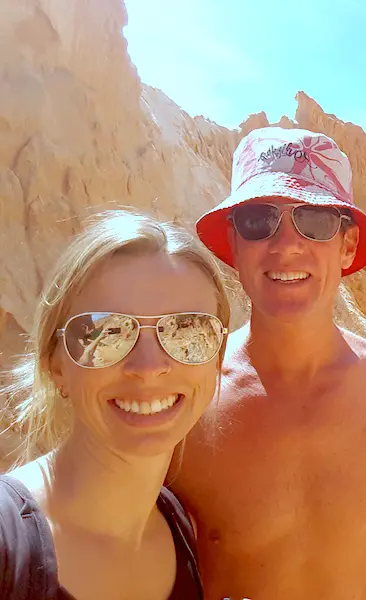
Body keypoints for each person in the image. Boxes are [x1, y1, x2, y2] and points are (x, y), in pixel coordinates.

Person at [172, 127, 366, 599]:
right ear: (234, 244)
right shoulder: (192, 392)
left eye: (315, 220)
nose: (286, 245)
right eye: (259, 220)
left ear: (346, 246)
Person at [0, 210, 231, 599]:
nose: (149, 367)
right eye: (106, 331)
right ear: (55, 364)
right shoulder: (9, 544)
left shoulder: (179, 528)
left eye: (187, 330)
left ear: (218, 358)